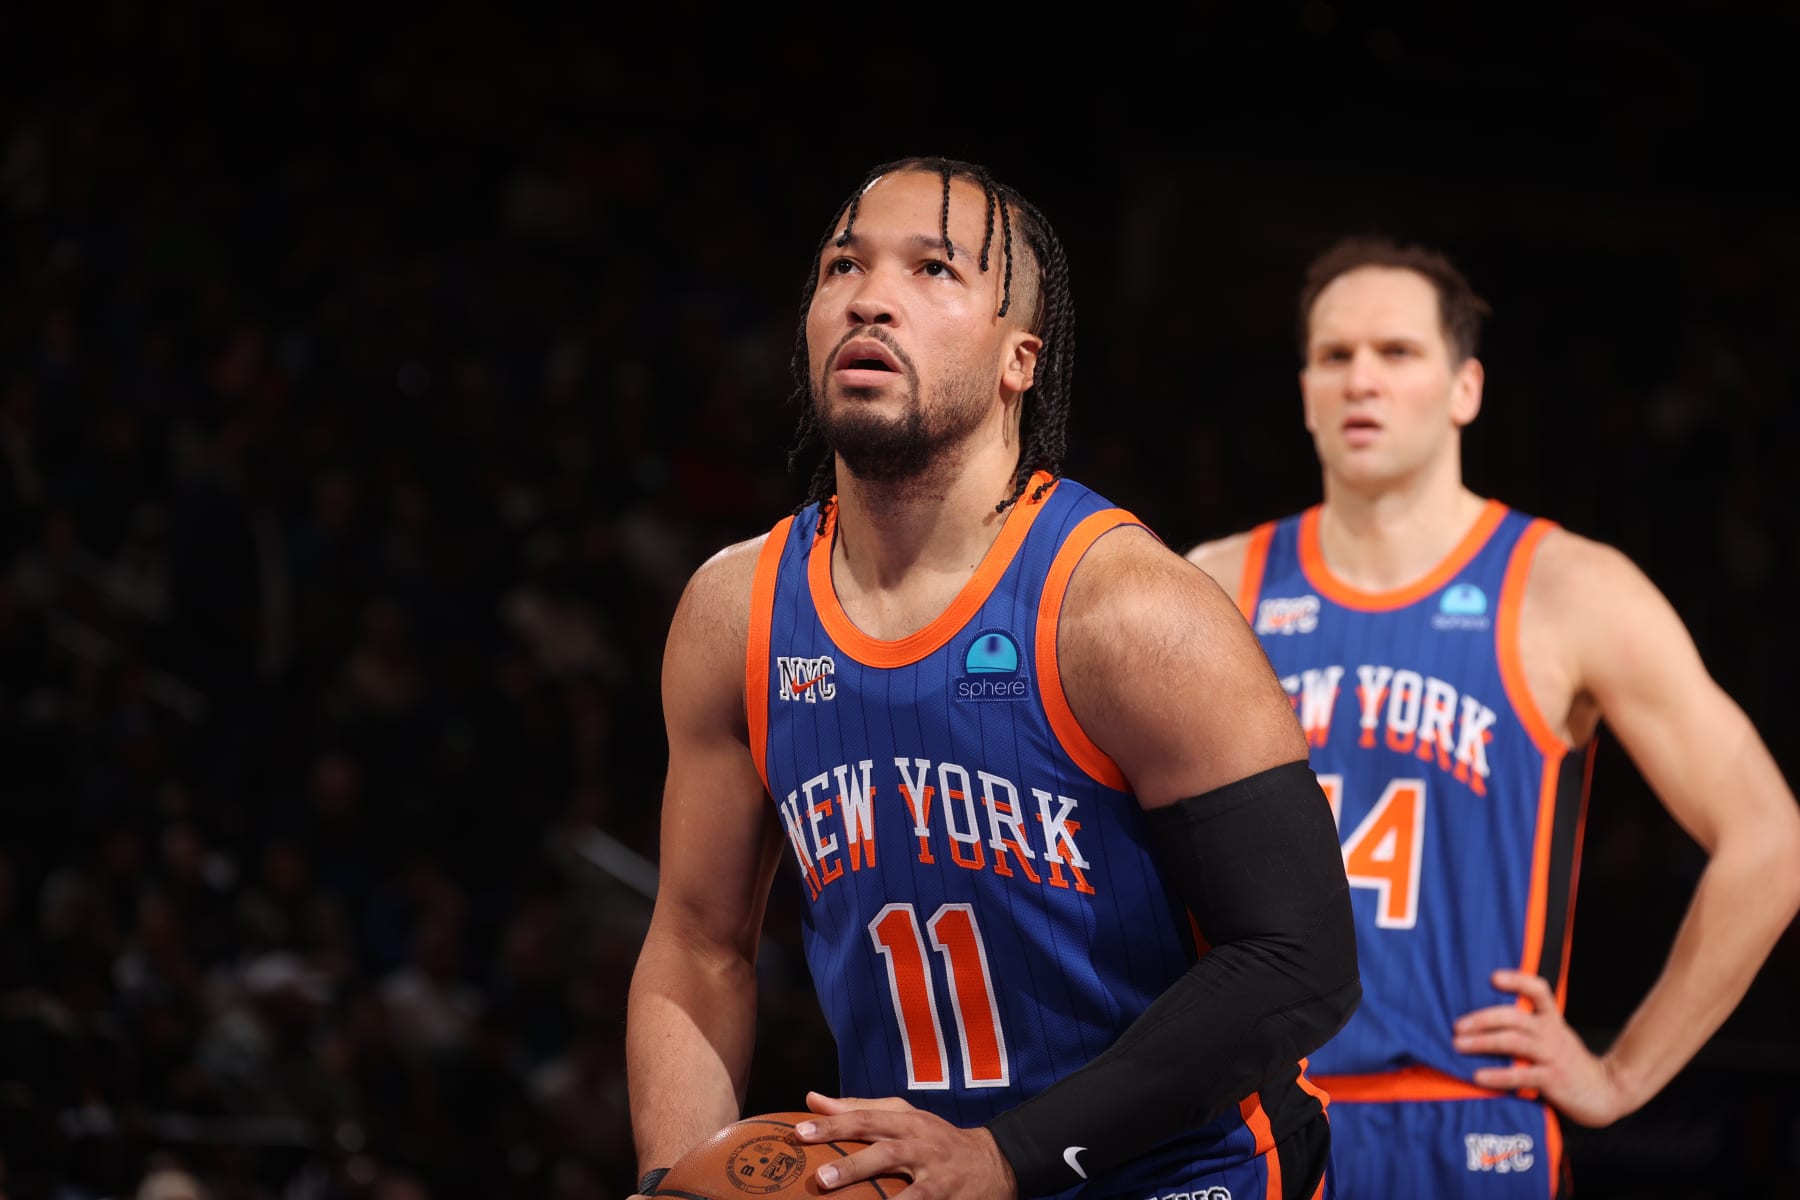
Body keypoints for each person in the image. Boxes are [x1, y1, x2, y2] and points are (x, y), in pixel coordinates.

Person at [624, 157, 1361, 1200]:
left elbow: (1300, 959)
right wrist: (671, 1176)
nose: (869, 297)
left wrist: (1008, 1155)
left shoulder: (1130, 610)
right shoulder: (732, 612)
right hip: (914, 1181)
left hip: (1180, 1177)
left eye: (933, 270)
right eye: (843, 266)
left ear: (1021, 360)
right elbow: (699, 945)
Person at [1184, 235, 1800, 1197]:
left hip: (1463, 1126)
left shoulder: (1568, 589)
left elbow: (1773, 840)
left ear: (1465, 387)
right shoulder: (1210, 587)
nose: (1361, 381)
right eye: (1334, 357)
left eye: (1397, 353)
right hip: (1254, 1122)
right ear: (1303, 388)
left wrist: (1623, 1072)